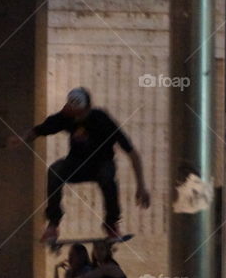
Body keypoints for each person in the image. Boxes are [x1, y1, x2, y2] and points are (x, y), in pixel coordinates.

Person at [8, 87, 151, 243]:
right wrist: (23, 138)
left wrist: (141, 186)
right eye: (74, 115)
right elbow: (39, 130)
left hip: (101, 163)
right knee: (55, 170)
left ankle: (111, 224)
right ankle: (53, 225)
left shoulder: (102, 120)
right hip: (76, 164)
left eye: (79, 115)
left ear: (88, 108)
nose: (76, 119)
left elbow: (132, 154)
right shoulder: (66, 116)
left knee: (107, 177)